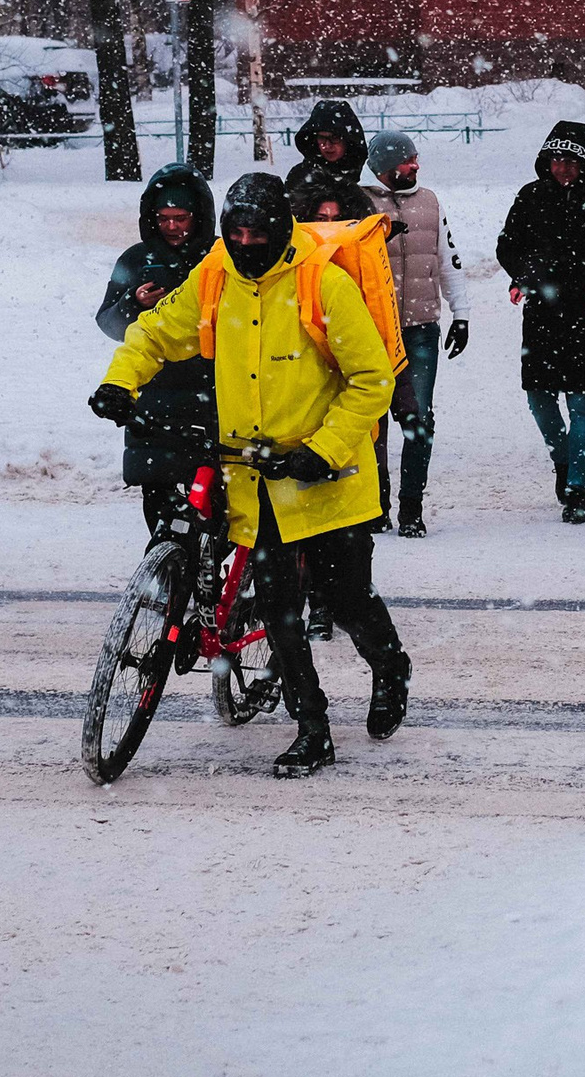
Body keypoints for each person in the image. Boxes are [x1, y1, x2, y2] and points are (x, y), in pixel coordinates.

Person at [87, 173, 409, 778]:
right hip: (255, 482)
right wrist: (119, 380)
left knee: (344, 598)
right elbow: (154, 334)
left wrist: (323, 447)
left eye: (257, 233)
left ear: (280, 230)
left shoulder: (323, 283)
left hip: (325, 478)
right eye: (234, 233)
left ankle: (391, 667)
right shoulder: (214, 277)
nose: (245, 244)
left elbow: (372, 380)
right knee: (282, 609)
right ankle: (313, 729)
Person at [495, 121, 585, 524]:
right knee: (539, 398)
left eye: (571, 161)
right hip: (543, 316)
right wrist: (526, 275)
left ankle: (578, 489)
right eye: (556, 160)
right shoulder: (531, 197)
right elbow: (507, 246)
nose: (563, 168)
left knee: (583, 404)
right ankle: (564, 461)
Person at [93, 163, 216, 535]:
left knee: (218, 501)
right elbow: (107, 322)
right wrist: (132, 304)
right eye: (163, 218)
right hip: (155, 397)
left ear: (198, 217)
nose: (173, 227)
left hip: (214, 393)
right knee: (159, 500)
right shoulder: (134, 260)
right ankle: (169, 568)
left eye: (180, 218)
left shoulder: (219, 258)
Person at [364, 131, 470, 538]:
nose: (416, 166)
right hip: (371, 331)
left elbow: (448, 260)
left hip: (421, 329)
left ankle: (412, 507)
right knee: (371, 422)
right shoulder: (361, 204)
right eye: (409, 160)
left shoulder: (430, 202)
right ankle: (375, 505)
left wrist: (461, 314)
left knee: (419, 419)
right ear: (388, 166)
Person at [285, 98, 368, 198]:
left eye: (334, 137)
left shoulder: (365, 175)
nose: (327, 145)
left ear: (348, 139)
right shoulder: (300, 177)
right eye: (321, 138)